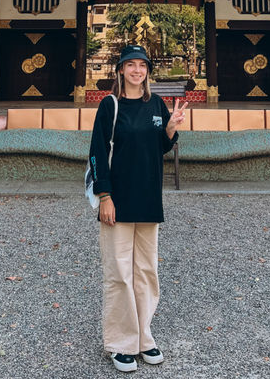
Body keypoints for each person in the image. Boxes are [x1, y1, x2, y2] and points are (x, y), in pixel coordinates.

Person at [88, 43, 188, 373]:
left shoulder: (156, 104)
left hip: (148, 198)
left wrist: (171, 127)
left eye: (142, 65)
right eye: (130, 65)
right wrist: (105, 196)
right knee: (119, 273)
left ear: (147, 71)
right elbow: (97, 152)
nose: (136, 70)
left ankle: (144, 337)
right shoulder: (110, 106)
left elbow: (158, 146)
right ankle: (120, 343)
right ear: (120, 70)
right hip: (117, 199)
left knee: (146, 271)